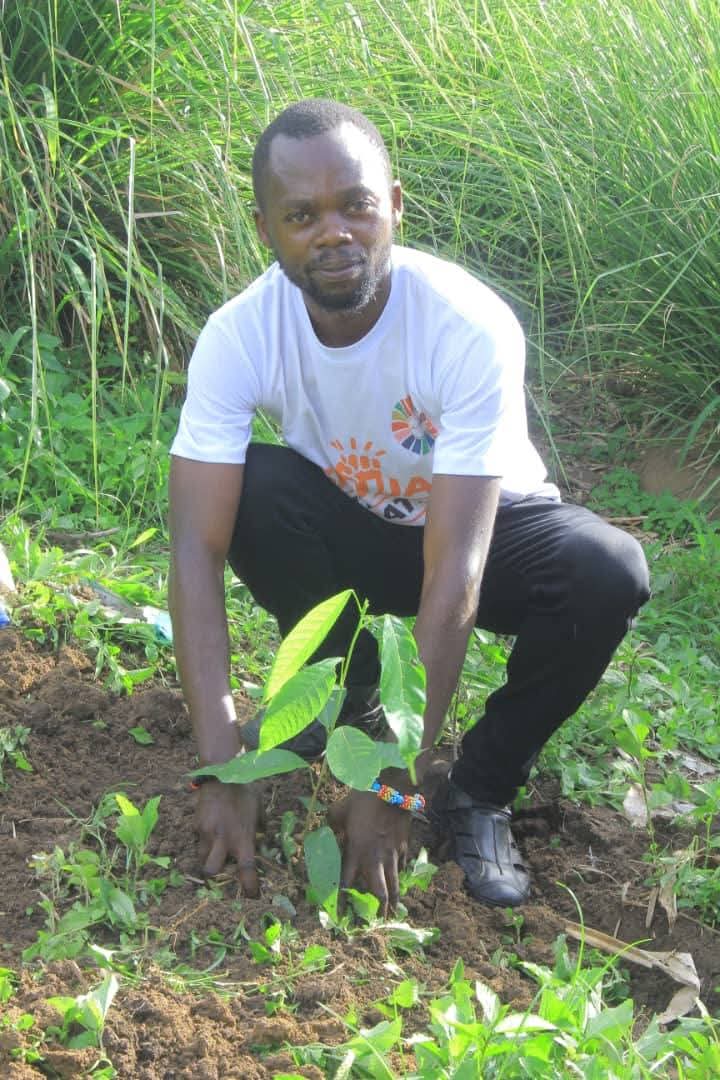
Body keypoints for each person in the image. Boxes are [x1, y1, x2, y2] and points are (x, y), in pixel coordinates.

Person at [168, 98, 650, 912]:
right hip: (356, 533)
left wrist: (394, 786)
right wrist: (224, 769)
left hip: (484, 535)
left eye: (356, 204)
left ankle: (477, 790)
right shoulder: (239, 334)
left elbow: (455, 574)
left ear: (393, 205)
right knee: (251, 484)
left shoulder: (464, 325)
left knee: (606, 571)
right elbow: (194, 552)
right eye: (302, 214)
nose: (334, 232)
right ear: (266, 230)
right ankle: (349, 701)